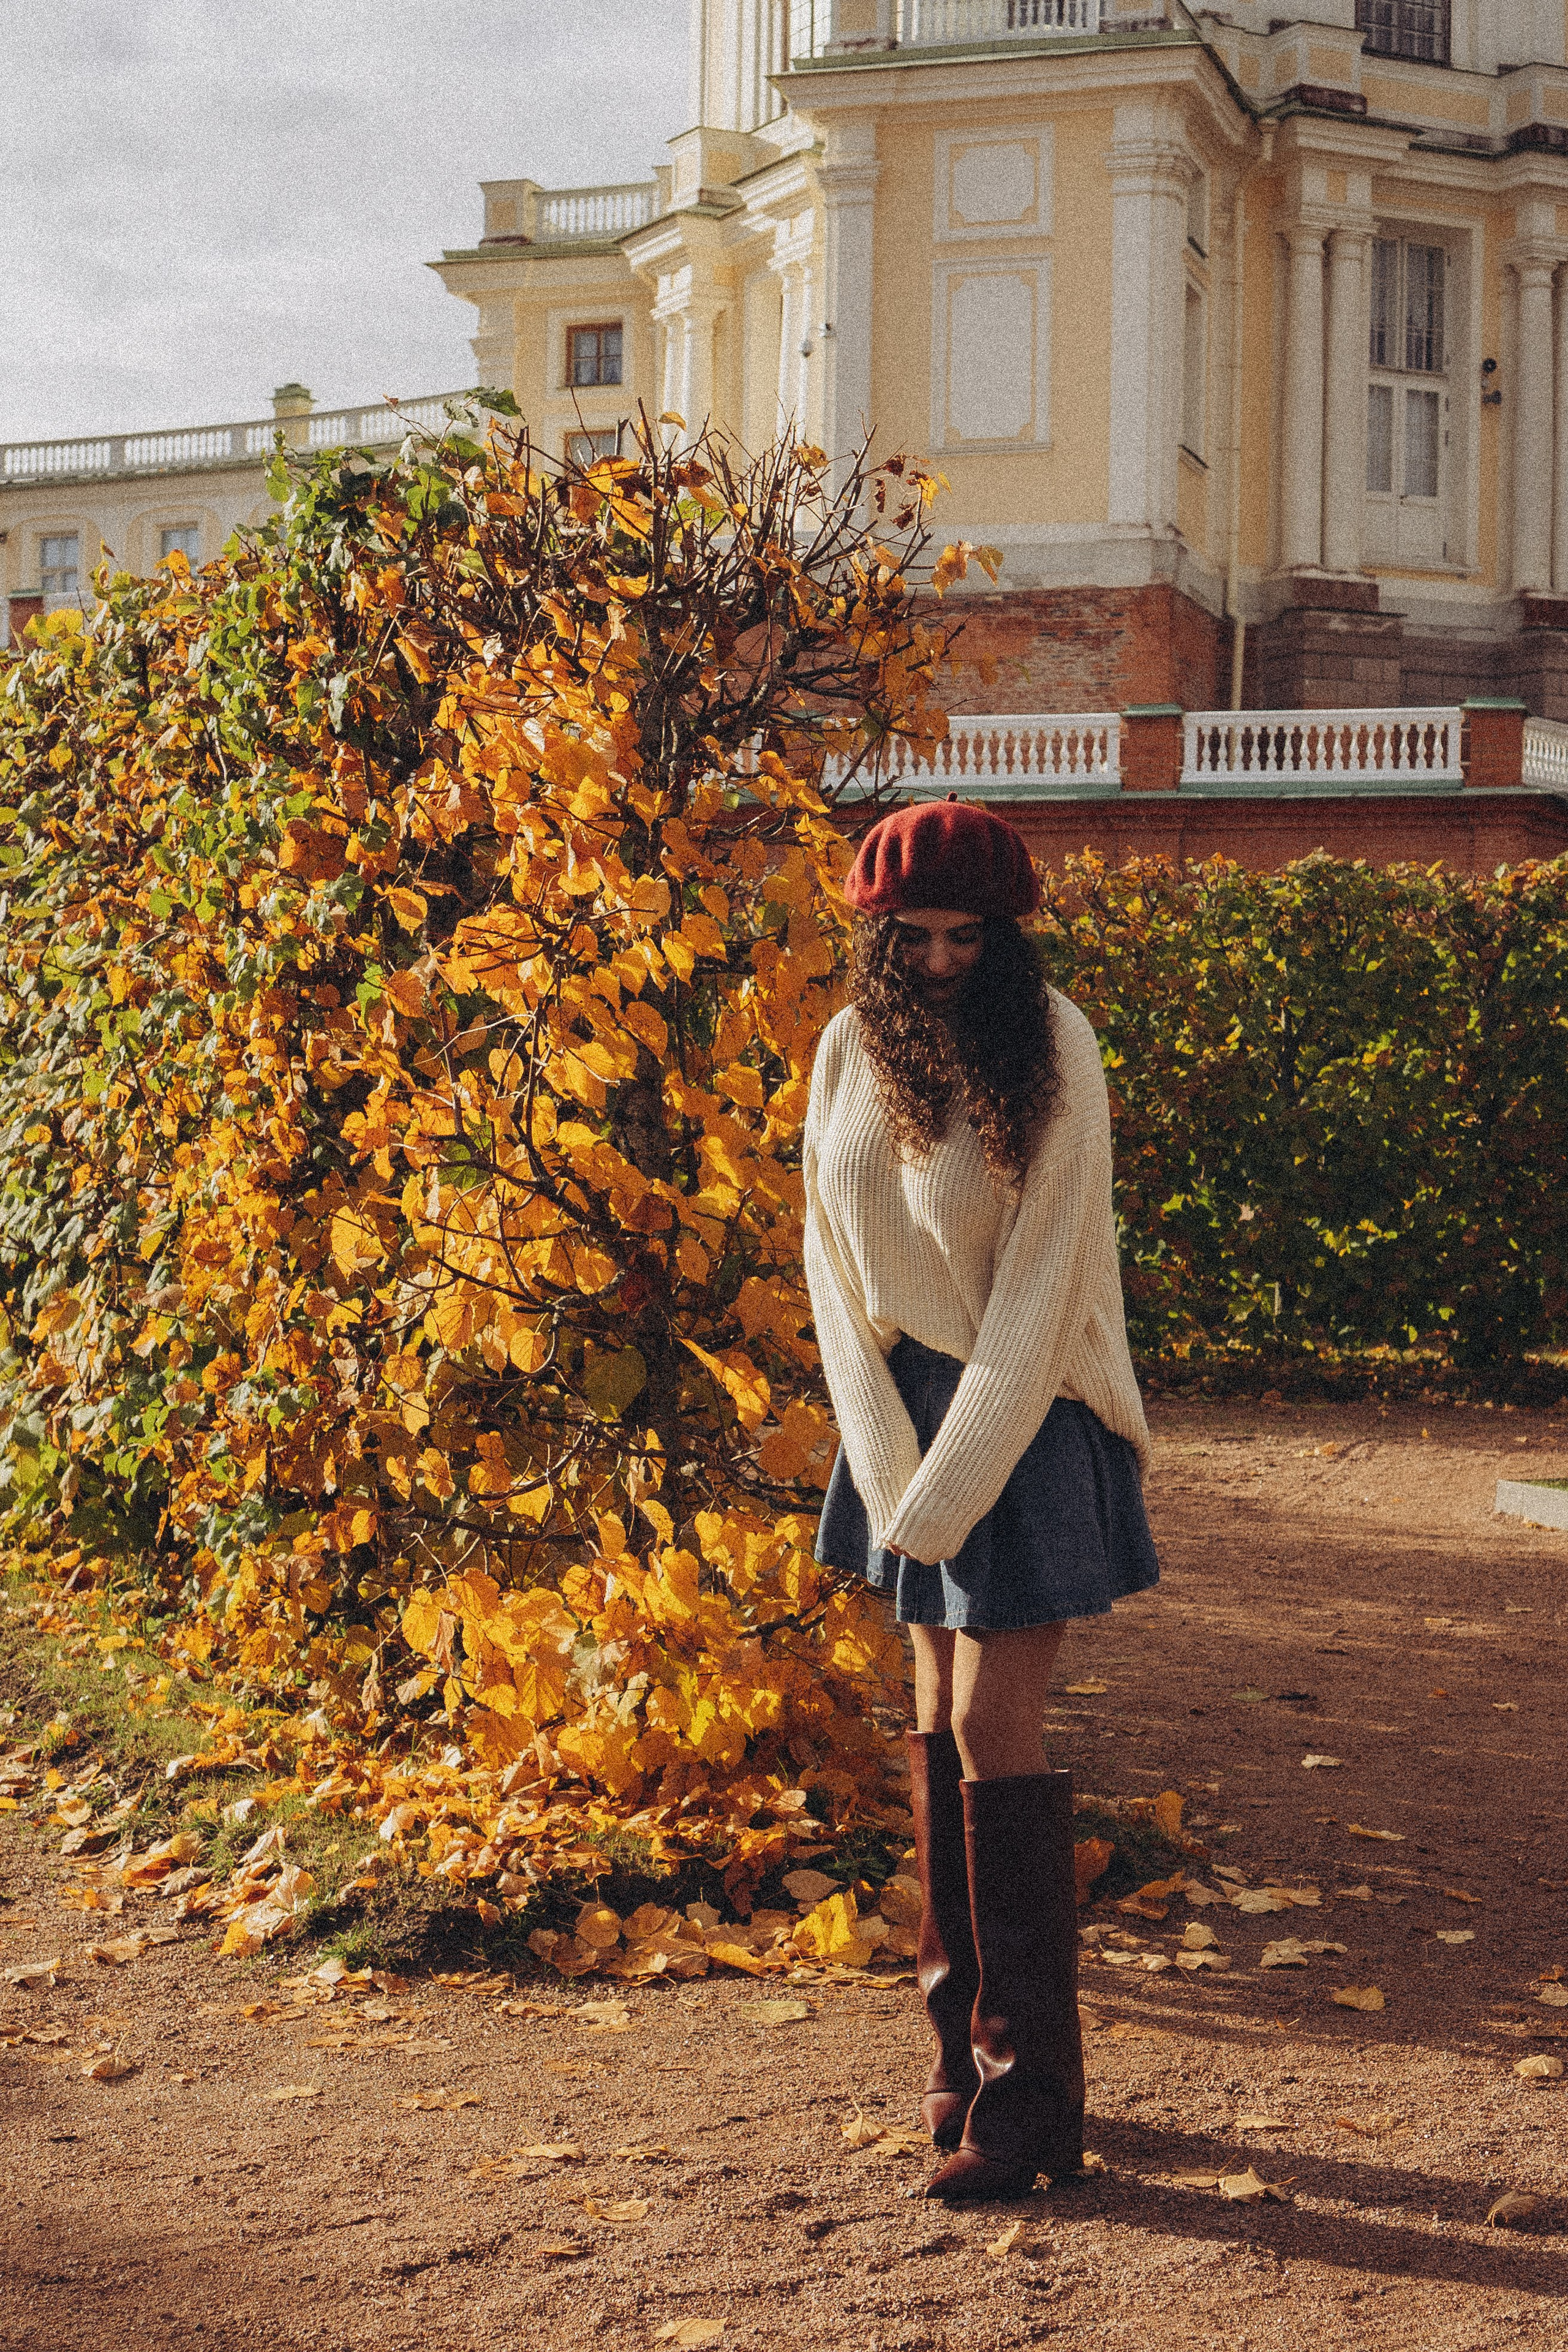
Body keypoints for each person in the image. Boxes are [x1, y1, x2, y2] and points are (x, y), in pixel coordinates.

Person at [803, 794, 1159, 2205]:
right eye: (916, 937)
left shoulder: (1054, 1044)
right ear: (878, 937)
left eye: (968, 937)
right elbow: (829, 1269)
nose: (943, 960)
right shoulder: (846, 1047)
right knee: (929, 1731)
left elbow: (1045, 1292)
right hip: (898, 1427)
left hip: (1029, 1417)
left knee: (985, 1726)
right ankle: (953, 2064)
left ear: (1004, 937)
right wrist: (891, 1473)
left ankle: (1029, 2103)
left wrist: (941, 1493)